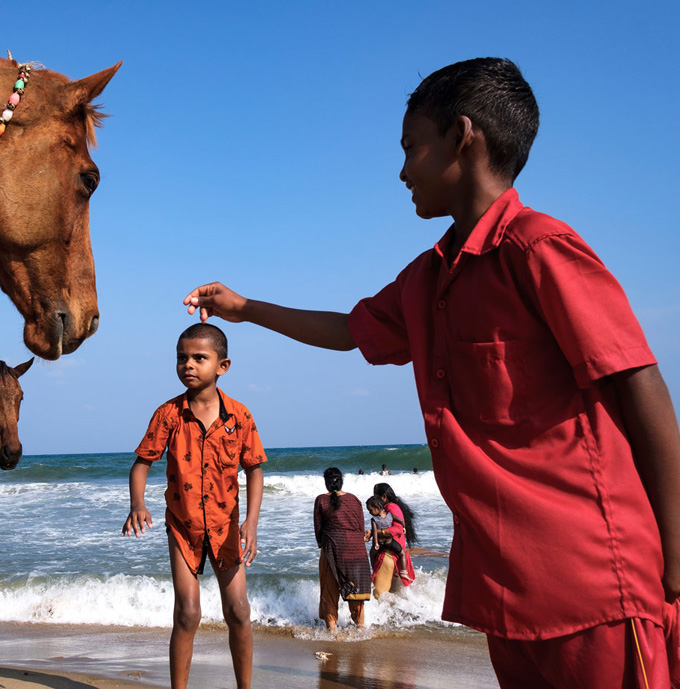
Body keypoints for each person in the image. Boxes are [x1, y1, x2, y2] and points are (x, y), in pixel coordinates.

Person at [183, 57, 680, 688]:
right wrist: (245, 309)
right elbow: (347, 330)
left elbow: (640, 384)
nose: (401, 169)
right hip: (510, 595)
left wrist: (676, 562)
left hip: (596, 588)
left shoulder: (540, 250)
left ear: (462, 137)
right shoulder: (428, 278)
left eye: (411, 147)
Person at [122, 323, 265, 689]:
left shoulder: (240, 417)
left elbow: (254, 470)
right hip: (182, 527)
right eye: (182, 357)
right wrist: (137, 503)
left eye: (199, 358)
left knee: (238, 611)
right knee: (187, 613)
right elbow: (141, 463)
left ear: (223, 366)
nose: (189, 364)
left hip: (225, 526)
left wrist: (251, 522)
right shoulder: (168, 414)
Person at [314, 467, 372, 628]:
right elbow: (360, 527)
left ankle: (332, 632)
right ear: (341, 481)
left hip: (333, 550)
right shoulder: (354, 499)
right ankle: (360, 629)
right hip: (357, 552)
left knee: (329, 593)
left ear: (326, 482)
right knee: (357, 595)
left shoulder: (321, 500)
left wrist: (322, 544)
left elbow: (318, 529)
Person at [368, 484, 415, 593]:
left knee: (378, 595)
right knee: (390, 594)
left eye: (376, 497)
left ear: (384, 497)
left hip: (388, 555)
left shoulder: (390, 508)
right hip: (393, 554)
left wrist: (373, 532)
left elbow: (398, 528)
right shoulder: (391, 508)